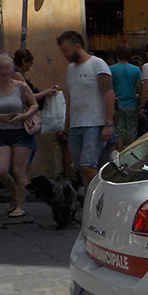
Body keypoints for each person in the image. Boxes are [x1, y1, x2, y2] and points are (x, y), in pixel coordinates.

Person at [0, 52, 39, 217]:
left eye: (7, 67)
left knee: (18, 170)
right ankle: (15, 195)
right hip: (3, 132)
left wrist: (24, 116)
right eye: (0, 68)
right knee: (0, 170)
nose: (4, 71)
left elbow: (34, 105)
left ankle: (20, 207)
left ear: (11, 68)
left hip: (21, 132)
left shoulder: (20, 86)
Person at [60, 31, 114, 187]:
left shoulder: (98, 64)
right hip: (76, 124)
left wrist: (108, 123)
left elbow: (108, 92)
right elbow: (70, 97)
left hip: (94, 122)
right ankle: (89, 200)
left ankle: (104, 196)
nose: (64, 54)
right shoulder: (71, 69)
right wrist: (66, 125)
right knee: (80, 168)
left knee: (87, 165)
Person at [109, 44, 141, 148]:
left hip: (117, 104)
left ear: (116, 55)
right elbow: (140, 87)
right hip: (132, 103)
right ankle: (131, 154)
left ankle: (120, 154)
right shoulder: (136, 70)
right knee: (132, 131)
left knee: (118, 132)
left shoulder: (111, 69)